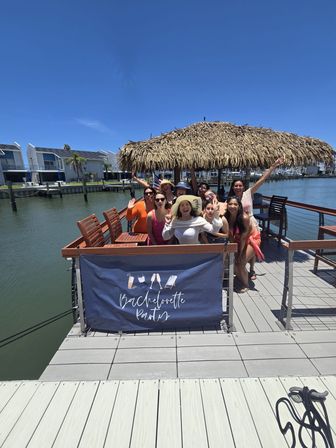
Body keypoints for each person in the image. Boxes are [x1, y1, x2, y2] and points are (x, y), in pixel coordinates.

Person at [226, 157, 284, 279]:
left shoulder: (249, 193)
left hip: (250, 223)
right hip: (238, 225)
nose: (238, 187)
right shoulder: (230, 198)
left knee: (251, 245)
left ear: (243, 186)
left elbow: (262, 179)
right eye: (235, 186)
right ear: (232, 187)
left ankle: (252, 269)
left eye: (240, 185)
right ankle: (243, 268)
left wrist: (273, 166)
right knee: (242, 247)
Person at [222, 195, 263, 292]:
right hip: (238, 240)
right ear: (227, 205)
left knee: (240, 262)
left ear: (239, 206)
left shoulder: (244, 217)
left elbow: (244, 238)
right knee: (235, 261)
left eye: (235, 204)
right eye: (230, 204)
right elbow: (230, 236)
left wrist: (239, 254)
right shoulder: (226, 217)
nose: (232, 206)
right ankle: (242, 276)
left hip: (252, 240)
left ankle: (246, 285)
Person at [162, 195, 227, 244]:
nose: (185, 207)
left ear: (191, 207)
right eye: (182, 205)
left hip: (196, 253)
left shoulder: (198, 220)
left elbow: (214, 231)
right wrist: (167, 224)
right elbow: (165, 237)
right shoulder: (175, 221)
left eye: (187, 204)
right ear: (179, 209)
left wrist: (215, 214)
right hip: (181, 253)